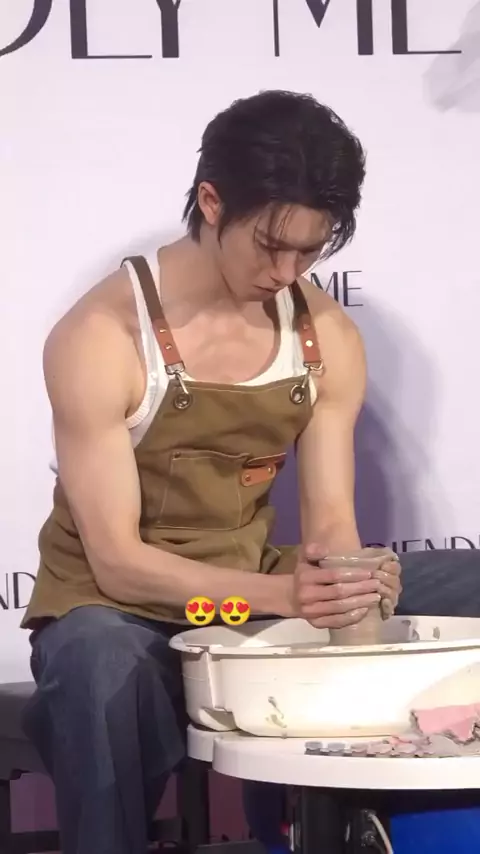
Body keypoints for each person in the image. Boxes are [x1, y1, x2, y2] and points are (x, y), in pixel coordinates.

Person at [21, 90, 402, 854]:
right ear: (211, 201)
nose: (286, 272)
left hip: (243, 597)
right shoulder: (101, 335)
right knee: (99, 666)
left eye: (309, 252)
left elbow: (330, 523)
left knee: (460, 588)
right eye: (270, 246)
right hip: (125, 609)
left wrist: (348, 582)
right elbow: (117, 563)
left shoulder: (326, 334)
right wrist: (286, 597)